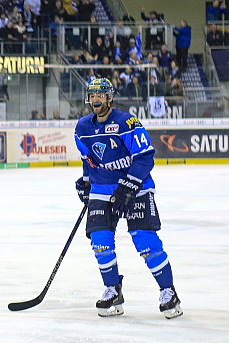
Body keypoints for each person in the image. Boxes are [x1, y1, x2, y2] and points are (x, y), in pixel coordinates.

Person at [73, 78, 182, 319]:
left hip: (137, 185)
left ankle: (169, 292)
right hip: (103, 187)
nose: (95, 100)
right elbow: (88, 160)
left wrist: (130, 183)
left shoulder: (127, 122)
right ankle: (113, 290)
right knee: (100, 240)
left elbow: (145, 157)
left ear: (109, 97)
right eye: (92, 95)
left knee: (144, 239)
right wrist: (87, 182)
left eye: (100, 95)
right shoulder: (82, 128)